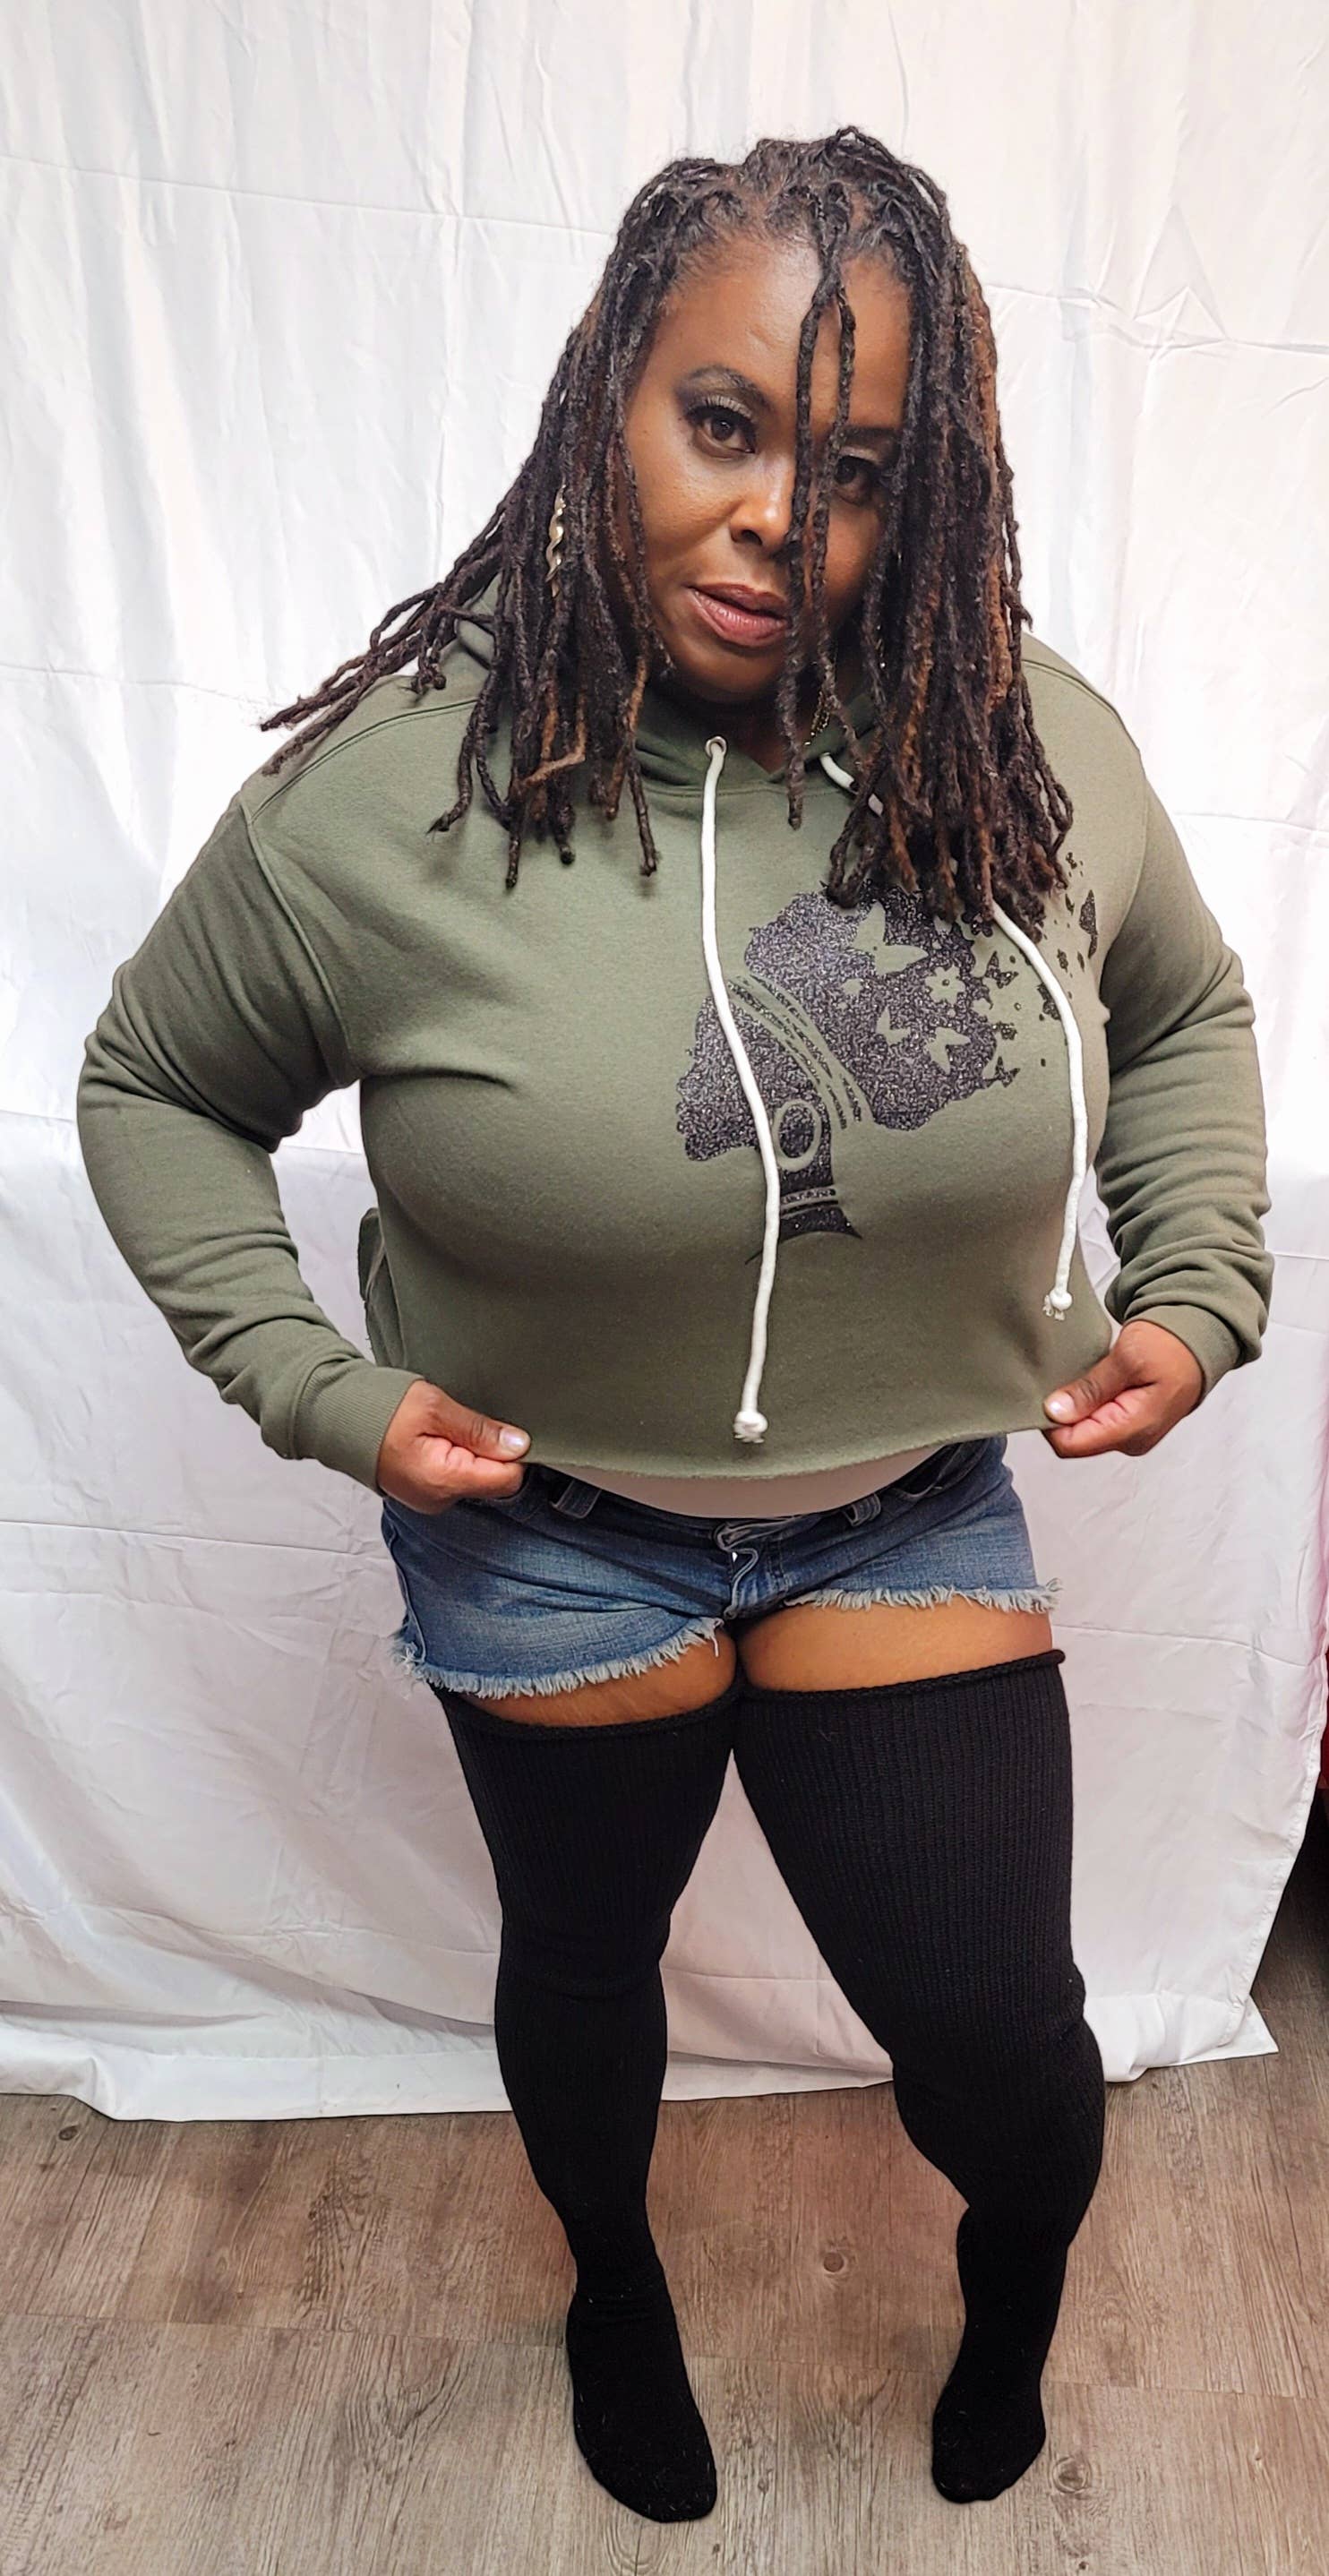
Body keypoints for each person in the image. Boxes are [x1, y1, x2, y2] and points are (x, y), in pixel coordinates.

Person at [76, 127, 1273, 2525]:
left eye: (856, 470)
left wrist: (1200, 1271)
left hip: (901, 1512)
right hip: (546, 1535)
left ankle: (1015, 2278)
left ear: (921, 501)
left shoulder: (1016, 744)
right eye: (721, 424)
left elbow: (1180, 1006)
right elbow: (155, 1087)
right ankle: (611, 2283)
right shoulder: (391, 792)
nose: (773, 518)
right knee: (585, 1968)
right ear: (608, 389)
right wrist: (310, 1383)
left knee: (1001, 2045)